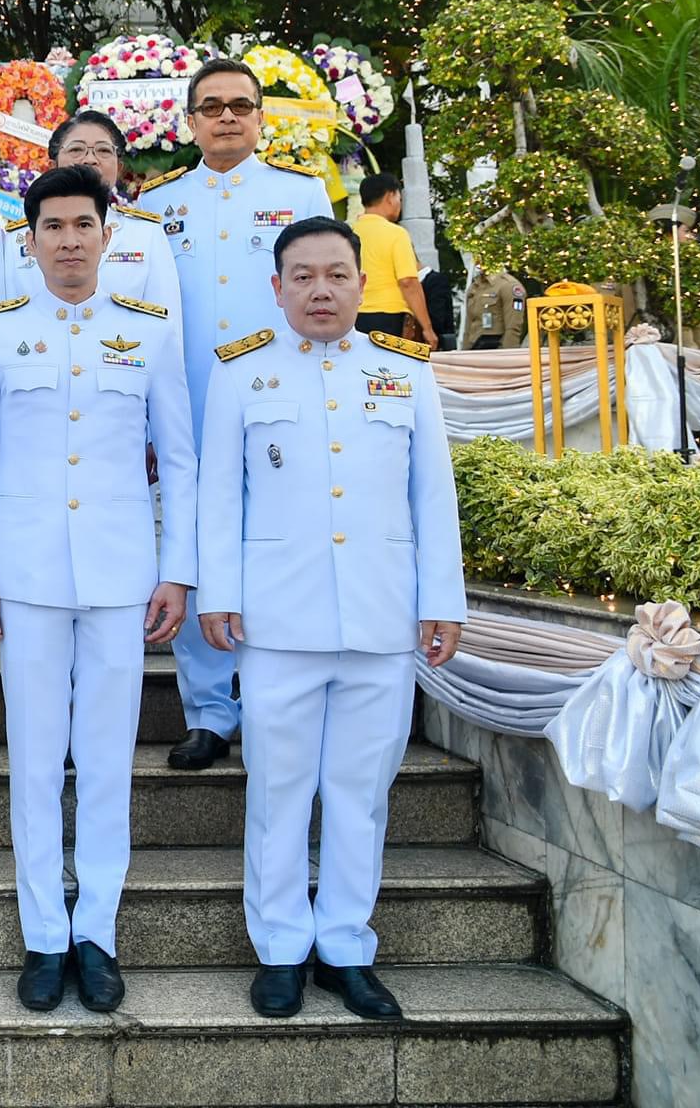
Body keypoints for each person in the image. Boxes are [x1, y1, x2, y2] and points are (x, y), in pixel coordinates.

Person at [196, 215, 464, 1022]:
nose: (321, 289)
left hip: (381, 618)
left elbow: (432, 496)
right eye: (303, 276)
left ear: (360, 283)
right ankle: (279, 947)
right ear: (276, 288)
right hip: (277, 619)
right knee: (278, 789)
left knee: (360, 792)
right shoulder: (241, 374)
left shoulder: (405, 372)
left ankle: (346, 945)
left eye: (337, 274)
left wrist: (440, 600)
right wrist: (218, 591)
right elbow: (217, 495)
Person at [0, 166, 196, 1014]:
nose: (66, 240)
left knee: (104, 760)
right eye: (50, 227)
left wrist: (178, 569)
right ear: (30, 240)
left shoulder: (149, 330)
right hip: (23, 573)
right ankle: (42, 935)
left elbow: (181, 461)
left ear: (106, 234)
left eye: (80, 225)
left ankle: (97, 930)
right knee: (32, 759)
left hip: (121, 570)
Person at [138, 56, 332, 773]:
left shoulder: (302, 191)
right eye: (211, 106)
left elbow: (324, 299)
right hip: (186, 406)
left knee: (279, 545)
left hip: (276, 403)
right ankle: (210, 712)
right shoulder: (156, 205)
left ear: (260, 117)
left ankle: (277, 700)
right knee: (192, 547)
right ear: (189, 121)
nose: (226, 117)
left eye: (240, 106)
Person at [11, 111, 180, 311]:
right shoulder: (15, 238)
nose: (90, 159)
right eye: (76, 149)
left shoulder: (146, 234)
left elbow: (166, 323)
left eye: (103, 150)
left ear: (120, 167)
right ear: (52, 165)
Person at [353, 173, 435, 346]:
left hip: (352, 316)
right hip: (389, 317)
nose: (400, 204)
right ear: (390, 197)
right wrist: (427, 327)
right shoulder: (396, 233)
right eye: (399, 197)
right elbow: (408, 282)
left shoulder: (348, 233)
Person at [461, 266, 527, 349]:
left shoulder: (508, 285)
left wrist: (508, 355)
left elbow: (513, 326)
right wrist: (465, 353)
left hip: (496, 347)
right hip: (475, 347)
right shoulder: (475, 287)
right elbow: (468, 326)